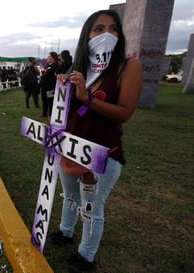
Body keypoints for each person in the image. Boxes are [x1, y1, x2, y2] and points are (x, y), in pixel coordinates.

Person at [49, 9, 142, 272]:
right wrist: (63, 87)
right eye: (99, 29)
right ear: (87, 36)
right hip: (70, 149)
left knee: (91, 206)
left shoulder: (128, 67)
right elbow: (72, 110)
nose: (107, 34)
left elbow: (125, 112)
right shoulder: (81, 69)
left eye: (113, 29)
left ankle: (85, 256)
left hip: (102, 154)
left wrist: (87, 98)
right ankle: (66, 231)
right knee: (69, 196)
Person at [39, 52, 59, 119]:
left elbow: (55, 78)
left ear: (53, 58)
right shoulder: (47, 65)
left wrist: (53, 87)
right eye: (48, 56)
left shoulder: (56, 66)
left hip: (50, 87)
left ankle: (50, 114)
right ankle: (44, 113)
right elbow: (44, 74)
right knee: (44, 100)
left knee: (50, 101)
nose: (48, 58)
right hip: (44, 86)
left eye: (50, 56)